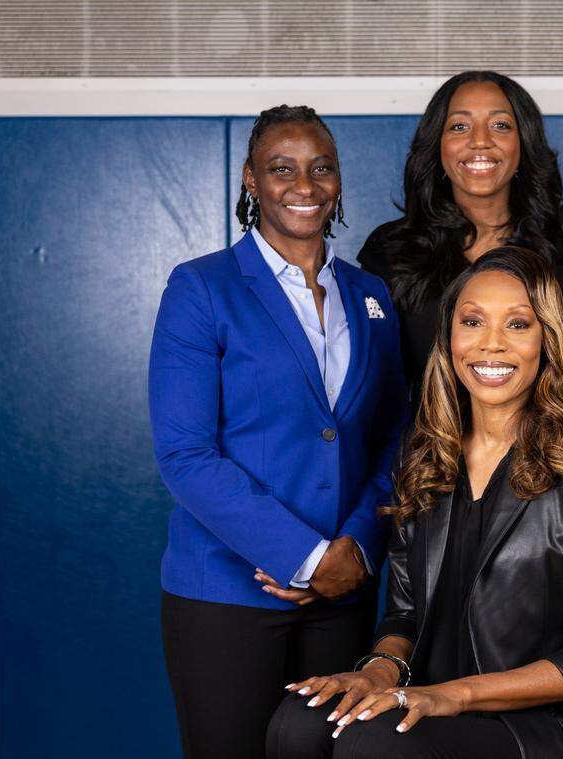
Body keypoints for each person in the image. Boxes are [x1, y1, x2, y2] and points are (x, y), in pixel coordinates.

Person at [265, 247, 563, 759]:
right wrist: (377, 673)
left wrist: (453, 694)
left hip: (550, 727)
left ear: (547, 341)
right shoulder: (424, 453)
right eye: (472, 321)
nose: (491, 345)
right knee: (303, 722)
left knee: (375, 744)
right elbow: (403, 618)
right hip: (431, 698)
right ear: (449, 338)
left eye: (517, 325)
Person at [148, 104, 408, 759]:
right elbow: (185, 454)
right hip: (226, 595)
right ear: (251, 180)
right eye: (282, 168)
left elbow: (396, 435)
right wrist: (307, 556)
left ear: (339, 180)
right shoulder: (201, 288)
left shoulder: (370, 294)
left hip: (344, 592)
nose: (305, 184)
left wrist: (356, 546)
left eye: (321, 168)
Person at [356, 71, 563, 398]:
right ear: (437, 144)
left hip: (549, 444)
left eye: (500, 125)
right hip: (431, 443)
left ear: (523, 142)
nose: (480, 140)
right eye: (459, 126)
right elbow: (371, 382)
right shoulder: (390, 250)